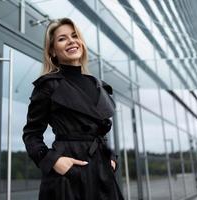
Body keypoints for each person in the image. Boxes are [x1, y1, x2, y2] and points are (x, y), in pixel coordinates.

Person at [22, 18, 124, 200]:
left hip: (102, 172)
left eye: (75, 36)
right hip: (68, 173)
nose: (71, 41)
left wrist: (112, 158)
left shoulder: (98, 85)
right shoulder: (48, 85)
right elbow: (31, 134)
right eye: (62, 38)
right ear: (52, 51)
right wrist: (53, 161)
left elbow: (100, 130)